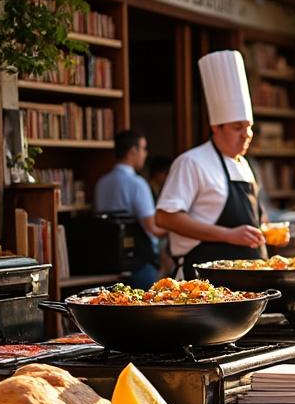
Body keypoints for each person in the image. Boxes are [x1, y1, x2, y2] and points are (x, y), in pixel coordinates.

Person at [157, 51, 266, 277]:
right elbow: (165, 217)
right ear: (216, 127)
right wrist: (227, 234)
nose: (246, 135)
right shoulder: (192, 162)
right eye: (237, 127)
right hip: (202, 281)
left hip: (249, 280)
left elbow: (253, 219)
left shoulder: (245, 165)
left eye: (249, 126)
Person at [94, 129, 167, 289]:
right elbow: (152, 227)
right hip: (138, 262)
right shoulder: (137, 183)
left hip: (106, 259)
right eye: (143, 148)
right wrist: (177, 227)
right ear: (133, 151)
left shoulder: (102, 183)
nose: (145, 154)